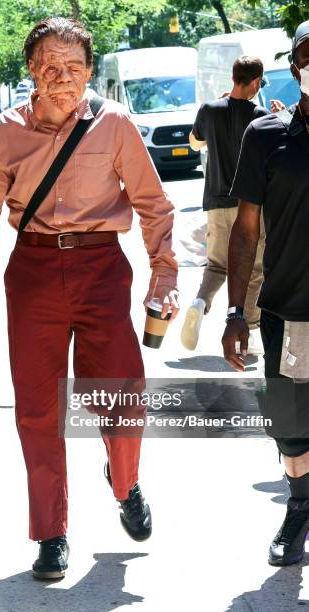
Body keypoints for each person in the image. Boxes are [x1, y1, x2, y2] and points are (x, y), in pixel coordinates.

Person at [0, 17, 179, 580]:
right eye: (50, 67)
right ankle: (51, 533)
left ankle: (124, 482)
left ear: (89, 71)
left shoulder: (116, 126)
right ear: (31, 70)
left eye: (74, 68)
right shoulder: (4, 133)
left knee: (124, 396)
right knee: (39, 411)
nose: (62, 79)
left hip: (102, 267)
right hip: (31, 272)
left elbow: (154, 207)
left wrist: (164, 274)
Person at [222, 20, 309, 566]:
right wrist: (236, 312)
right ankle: (299, 508)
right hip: (289, 309)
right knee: (291, 426)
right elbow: (246, 227)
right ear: (295, 65)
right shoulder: (266, 136)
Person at [181, 56, 269, 353]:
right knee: (254, 267)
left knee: (217, 265)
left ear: (233, 78)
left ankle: (199, 303)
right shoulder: (259, 114)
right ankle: (251, 328)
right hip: (251, 205)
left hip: (216, 200)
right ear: (255, 82)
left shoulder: (209, 109)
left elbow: (195, 143)